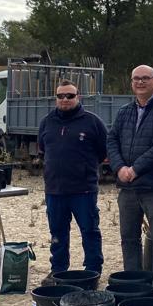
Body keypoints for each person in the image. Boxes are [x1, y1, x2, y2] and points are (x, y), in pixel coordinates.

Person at [107, 65, 153, 275]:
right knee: (129, 239)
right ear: (132, 83)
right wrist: (119, 167)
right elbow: (111, 139)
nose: (140, 82)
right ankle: (133, 283)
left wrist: (135, 169)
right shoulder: (124, 112)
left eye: (145, 78)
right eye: (136, 79)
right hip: (128, 189)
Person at [38, 81, 108, 277]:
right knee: (57, 234)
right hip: (55, 190)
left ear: (79, 97)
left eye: (69, 95)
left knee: (90, 231)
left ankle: (93, 270)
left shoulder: (92, 122)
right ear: (55, 98)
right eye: (60, 96)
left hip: (83, 190)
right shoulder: (47, 121)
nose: (65, 99)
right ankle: (58, 271)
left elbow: (103, 151)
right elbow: (43, 148)